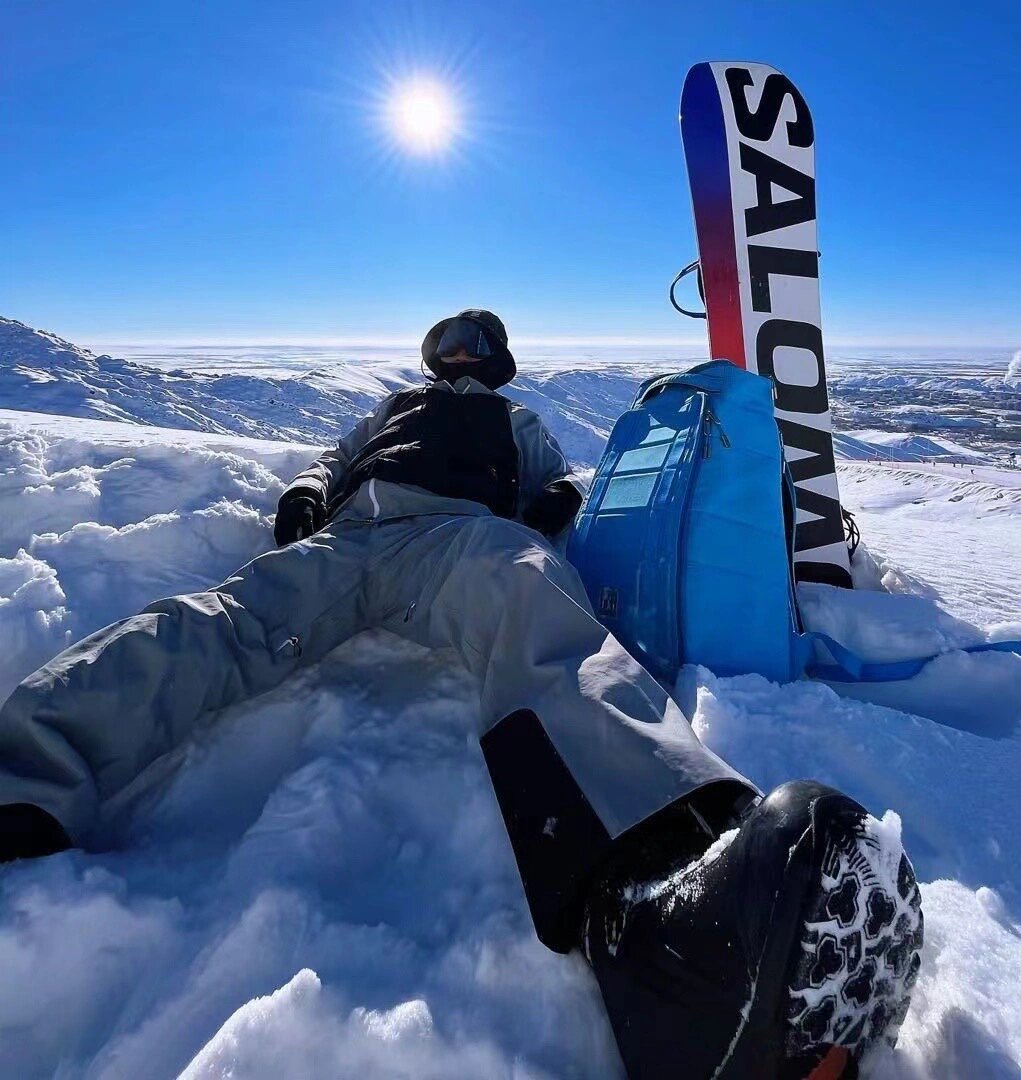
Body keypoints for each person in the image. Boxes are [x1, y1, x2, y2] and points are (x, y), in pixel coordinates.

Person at [0, 310, 920, 1078]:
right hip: (353, 538)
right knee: (221, 621)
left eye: (482, 342)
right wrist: (307, 498)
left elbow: (556, 479)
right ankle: (26, 769)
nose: (469, 353)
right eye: (458, 340)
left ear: (498, 359)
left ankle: (670, 903)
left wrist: (552, 506)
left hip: (465, 540)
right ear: (440, 355)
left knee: (539, 612)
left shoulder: (515, 424)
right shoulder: (394, 410)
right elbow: (329, 464)